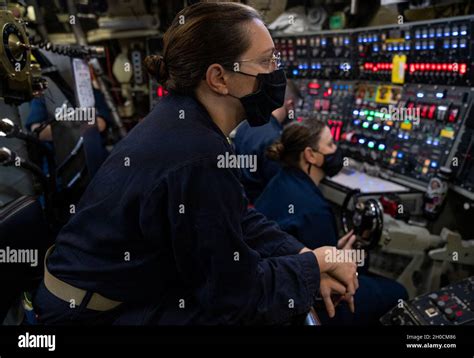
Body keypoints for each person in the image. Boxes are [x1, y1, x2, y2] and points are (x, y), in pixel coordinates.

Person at [33, 2, 358, 325]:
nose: (276, 72)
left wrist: (302, 256)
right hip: (89, 315)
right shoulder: (197, 153)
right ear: (219, 78)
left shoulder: (183, 119)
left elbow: (238, 218)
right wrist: (315, 266)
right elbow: (236, 297)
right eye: (266, 60)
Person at [255, 118, 408, 325]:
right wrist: (349, 259)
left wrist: (335, 250)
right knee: (398, 293)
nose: (336, 150)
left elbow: (312, 252)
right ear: (310, 155)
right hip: (306, 302)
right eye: (330, 144)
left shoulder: (280, 181)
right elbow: (335, 277)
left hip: (278, 284)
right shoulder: (314, 210)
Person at [233, 80, 301, 203]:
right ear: (290, 104)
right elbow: (278, 185)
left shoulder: (245, 125)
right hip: (260, 205)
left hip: (241, 201)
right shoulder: (274, 138)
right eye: (294, 108)